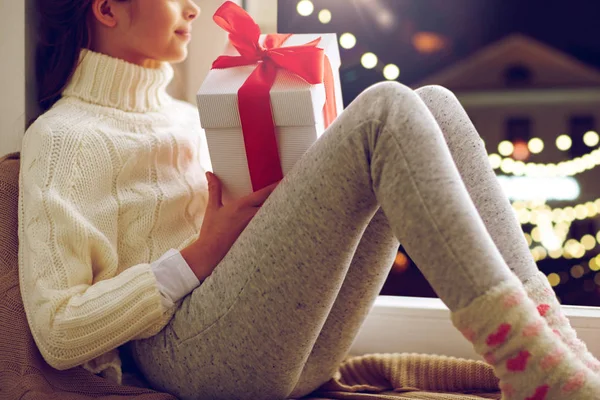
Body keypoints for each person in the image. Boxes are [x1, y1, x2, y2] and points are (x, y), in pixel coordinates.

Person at [21, 1, 600, 399]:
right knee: (386, 108)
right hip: (184, 362)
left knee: (437, 104)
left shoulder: (188, 116)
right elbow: (58, 333)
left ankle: (552, 346)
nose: (193, 8)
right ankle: (522, 360)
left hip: (284, 346)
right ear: (105, 8)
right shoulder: (64, 138)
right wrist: (199, 254)